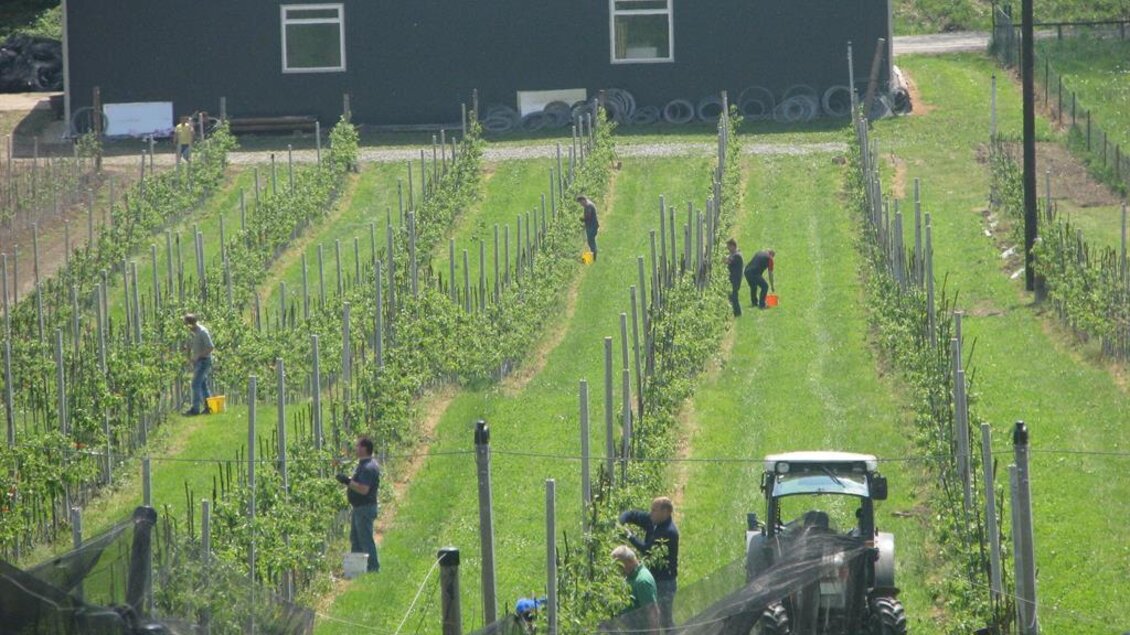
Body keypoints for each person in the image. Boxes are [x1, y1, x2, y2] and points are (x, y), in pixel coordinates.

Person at [620, 497, 679, 630]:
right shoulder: (654, 521)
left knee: (665, 620)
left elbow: (647, 550)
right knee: (649, 617)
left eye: (654, 510)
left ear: (665, 512)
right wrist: (620, 523)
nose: (650, 512)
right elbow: (631, 515)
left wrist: (630, 536)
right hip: (653, 578)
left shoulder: (669, 532)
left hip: (664, 582)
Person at [336, 436, 381, 573]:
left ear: (364, 448)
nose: (355, 448)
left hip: (364, 509)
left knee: (365, 540)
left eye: (357, 446)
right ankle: (356, 570)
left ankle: (373, 569)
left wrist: (347, 481)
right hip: (359, 509)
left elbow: (363, 489)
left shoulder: (368, 467)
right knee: (356, 539)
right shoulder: (364, 464)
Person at [611, 545, 660, 632]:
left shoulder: (642, 581)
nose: (618, 570)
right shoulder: (631, 577)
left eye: (620, 566)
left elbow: (653, 614)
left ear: (629, 561)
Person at [183, 314, 214, 416]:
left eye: (186, 324)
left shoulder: (202, 332)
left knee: (195, 384)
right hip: (197, 362)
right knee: (203, 385)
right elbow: (188, 345)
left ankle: (195, 409)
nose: (185, 326)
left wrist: (198, 356)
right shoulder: (191, 333)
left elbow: (210, 347)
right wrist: (188, 358)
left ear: (191, 323)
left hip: (204, 361)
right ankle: (209, 407)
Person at [725, 239, 744, 317]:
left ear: (733, 246)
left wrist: (722, 259)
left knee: (734, 296)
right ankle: (735, 312)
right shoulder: (735, 254)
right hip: (733, 278)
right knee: (732, 296)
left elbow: (729, 261)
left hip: (735, 279)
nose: (728, 249)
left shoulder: (737, 256)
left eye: (728, 247)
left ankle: (738, 313)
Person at [577, 195, 599, 261]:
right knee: (591, 241)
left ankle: (593, 258)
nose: (581, 204)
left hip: (592, 226)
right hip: (591, 225)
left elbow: (588, 217)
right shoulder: (589, 204)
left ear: (583, 200)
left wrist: (582, 219)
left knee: (591, 241)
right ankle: (592, 256)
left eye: (581, 202)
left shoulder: (588, 206)